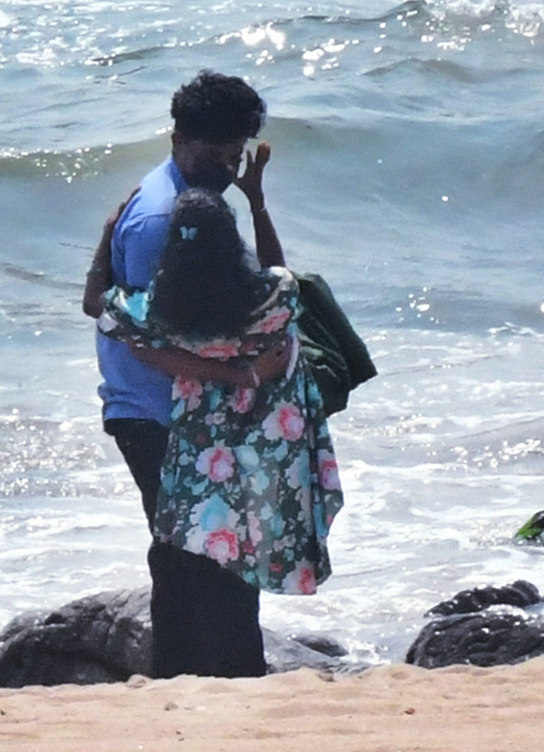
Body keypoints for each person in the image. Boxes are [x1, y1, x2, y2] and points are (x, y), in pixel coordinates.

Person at [84, 71, 288, 677]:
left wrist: (252, 197)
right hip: (156, 411)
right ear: (178, 140)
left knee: (184, 555)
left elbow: (266, 292)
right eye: (214, 155)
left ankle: (179, 678)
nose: (225, 168)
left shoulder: (194, 198)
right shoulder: (158, 221)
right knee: (215, 556)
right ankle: (233, 681)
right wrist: (245, 378)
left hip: (181, 409)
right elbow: (145, 340)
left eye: (234, 157)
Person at [94, 188, 342, 677]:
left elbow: (100, 309)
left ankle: (187, 670)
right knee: (241, 567)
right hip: (267, 449)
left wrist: (108, 233)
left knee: (197, 558)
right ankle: (240, 669)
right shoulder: (272, 298)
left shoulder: (162, 313)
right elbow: (281, 272)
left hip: (200, 452)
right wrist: (258, 203)